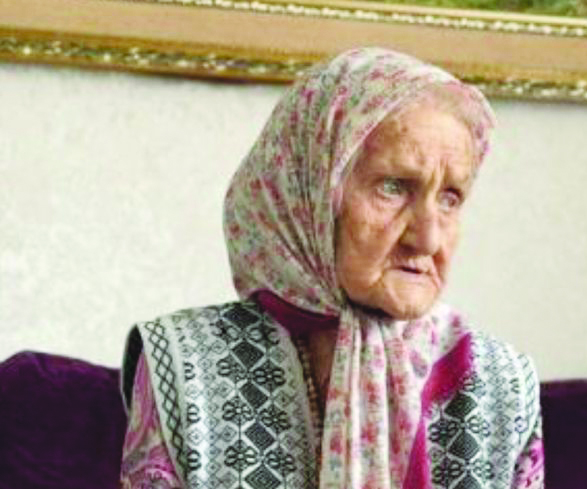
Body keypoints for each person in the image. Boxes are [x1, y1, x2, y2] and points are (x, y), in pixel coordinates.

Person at [119, 47, 543, 489]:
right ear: (310, 193)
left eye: (450, 197)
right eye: (394, 187)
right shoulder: (185, 362)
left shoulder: (501, 383)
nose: (428, 238)